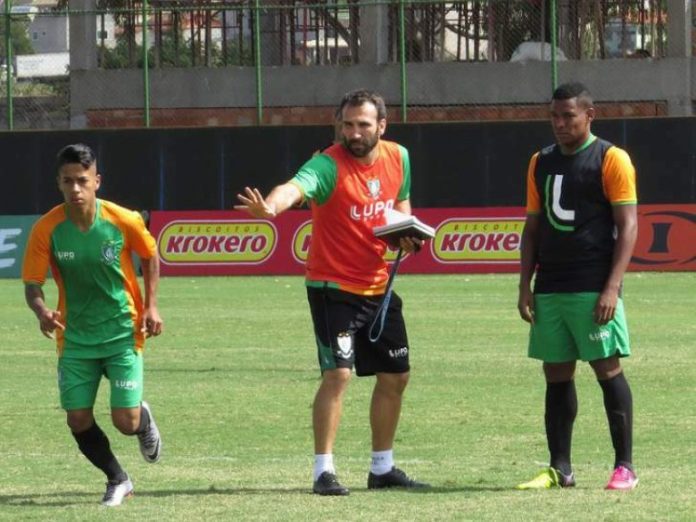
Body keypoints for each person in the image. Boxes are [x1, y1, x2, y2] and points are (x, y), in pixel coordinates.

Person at [235, 89, 429, 496]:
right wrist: (271, 207)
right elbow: (294, 188)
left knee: (396, 376)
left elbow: (401, 204)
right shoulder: (326, 164)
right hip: (333, 288)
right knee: (338, 374)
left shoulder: (400, 157)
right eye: (347, 124)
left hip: (379, 286)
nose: (354, 133)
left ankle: (382, 468)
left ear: (382, 126)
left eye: (363, 125)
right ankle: (323, 471)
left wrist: (406, 233)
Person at [22, 144, 164, 507]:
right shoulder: (47, 229)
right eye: (68, 181)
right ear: (58, 182)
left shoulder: (122, 220)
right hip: (75, 337)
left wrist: (151, 306)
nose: (75, 188)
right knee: (77, 418)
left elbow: (150, 256)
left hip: (122, 331)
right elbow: (32, 284)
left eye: (82, 180)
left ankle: (143, 420)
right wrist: (41, 311)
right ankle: (118, 479)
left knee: (125, 422)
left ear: (96, 181)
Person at [516, 82, 639, 491]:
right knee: (555, 373)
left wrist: (612, 287)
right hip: (550, 284)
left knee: (607, 368)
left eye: (568, 116)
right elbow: (532, 228)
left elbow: (628, 226)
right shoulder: (540, 161)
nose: (560, 123)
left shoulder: (611, 158)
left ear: (590, 115)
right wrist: (525, 284)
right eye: (554, 116)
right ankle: (560, 468)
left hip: (593, 283)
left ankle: (625, 467)